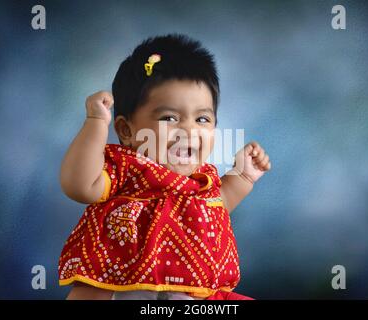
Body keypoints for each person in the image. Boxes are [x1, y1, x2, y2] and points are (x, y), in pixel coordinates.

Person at [58, 34, 271, 300]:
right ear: (126, 130)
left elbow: (219, 205)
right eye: (170, 117)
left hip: (194, 295)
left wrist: (242, 176)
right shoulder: (126, 169)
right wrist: (95, 122)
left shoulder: (202, 180)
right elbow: (79, 185)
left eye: (202, 118)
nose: (189, 130)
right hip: (125, 288)